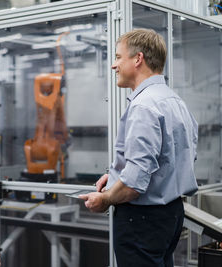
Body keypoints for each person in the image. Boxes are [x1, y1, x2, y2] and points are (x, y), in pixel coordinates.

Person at [79, 29, 198, 267]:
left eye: (118, 57)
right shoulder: (174, 101)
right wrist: (115, 177)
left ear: (138, 59)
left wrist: (106, 200)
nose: (114, 65)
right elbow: (172, 160)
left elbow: (134, 184)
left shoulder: (144, 106)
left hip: (142, 220)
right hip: (171, 214)